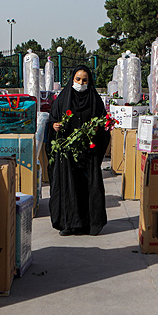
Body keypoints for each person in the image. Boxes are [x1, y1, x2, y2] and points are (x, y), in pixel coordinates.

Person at [46, 65, 110, 236]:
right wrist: (54, 126)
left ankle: (89, 224)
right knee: (68, 187)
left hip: (88, 155)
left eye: (84, 80)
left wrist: (98, 130)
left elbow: (104, 123)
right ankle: (68, 224)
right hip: (68, 155)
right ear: (72, 79)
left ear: (89, 82)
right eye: (78, 79)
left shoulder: (95, 100)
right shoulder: (62, 100)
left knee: (88, 188)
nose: (81, 83)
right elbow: (52, 120)